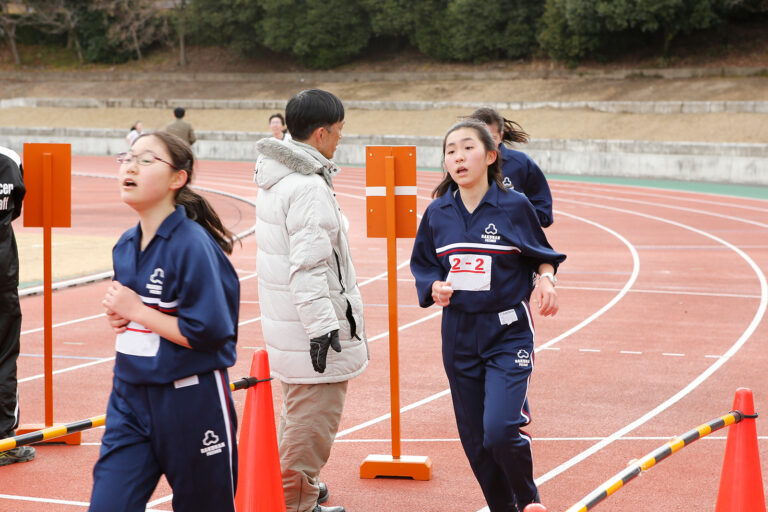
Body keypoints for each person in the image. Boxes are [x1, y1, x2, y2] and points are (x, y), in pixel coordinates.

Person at [410, 119, 566, 512]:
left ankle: (528, 500)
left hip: (507, 330)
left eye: (467, 148)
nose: (458, 157)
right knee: (476, 442)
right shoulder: (437, 213)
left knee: (498, 431)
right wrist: (434, 287)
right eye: (450, 151)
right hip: (459, 333)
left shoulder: (514, 207)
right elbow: (424, 265)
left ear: (491, 155)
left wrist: (546, 281)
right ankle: (503, 507)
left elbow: (542, 257)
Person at [89, 131, 240, 511]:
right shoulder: (125, 244)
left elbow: (209, 334)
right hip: (128, 396)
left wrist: (138, 311)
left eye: (146, 160)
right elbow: (140, 312)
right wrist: (121, 315)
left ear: (178, 179)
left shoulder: (193, 246)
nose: (130, 165)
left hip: (190, 400)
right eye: (127, 157)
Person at [254, 89, 368, 512]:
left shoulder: (280, 176)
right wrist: (323, 327)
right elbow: (308, 266)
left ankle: (299, 489)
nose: (340, 139)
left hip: (288, 321)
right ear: (321, 134)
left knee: (297, 411)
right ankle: (292, 501)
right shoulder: (305, 187)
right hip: (308, 325)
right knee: (312, 418)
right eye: (338, 131)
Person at [0, 145, 35, 467]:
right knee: (4, 353)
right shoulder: (9, 159)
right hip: (2, 267)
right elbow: (15, 210)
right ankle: (3, 440)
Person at [469, 107, 554, 227]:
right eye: (480, 138)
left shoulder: (521, 163)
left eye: (491, 138)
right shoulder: (462, 164)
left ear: (501, 136)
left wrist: (514, 220)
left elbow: (544, 215)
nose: (485, 144)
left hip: (511, 241)